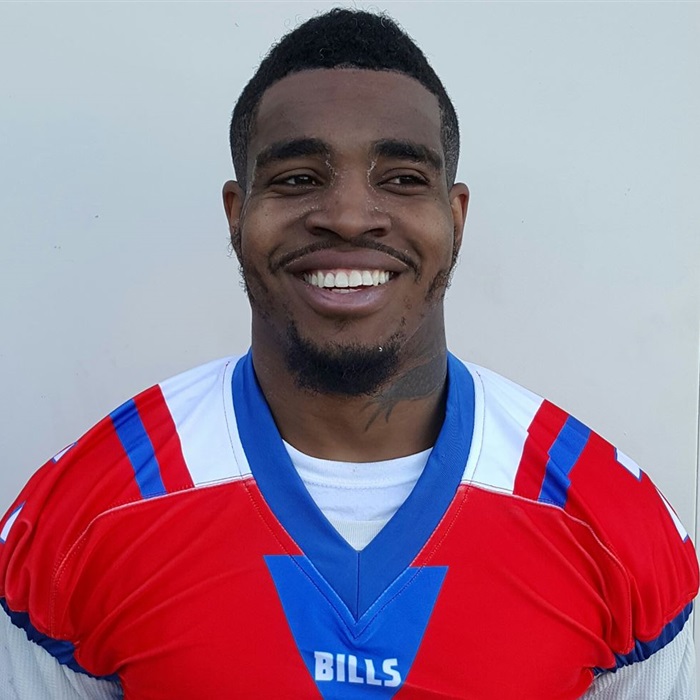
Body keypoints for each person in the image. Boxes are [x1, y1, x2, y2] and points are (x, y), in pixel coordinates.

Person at [0, 8, 697, 699]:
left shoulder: (614, 526)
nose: (348, 216)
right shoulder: (76, 521)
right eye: (298, 177)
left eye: (402, 178)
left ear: (455, 218)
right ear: (237, 214)